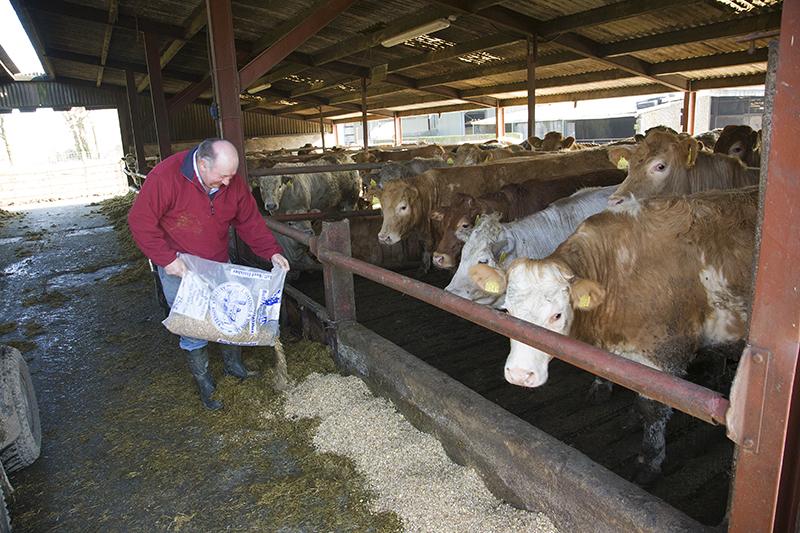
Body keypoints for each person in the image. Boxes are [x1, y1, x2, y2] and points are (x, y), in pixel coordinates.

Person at [128, 138, 290, 411]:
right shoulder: (166, 177)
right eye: (222, 176)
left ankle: (234, 367)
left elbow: (249, 219)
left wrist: (271, 251)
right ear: (202, 165)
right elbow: (140, 220)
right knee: (194, 326)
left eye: (232, 175)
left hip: (217, 262)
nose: (228, 182)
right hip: (181, 267)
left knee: (228, 315)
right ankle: (206, 386)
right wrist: (166, 259)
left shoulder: (230, 182)